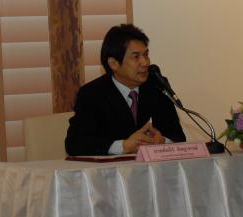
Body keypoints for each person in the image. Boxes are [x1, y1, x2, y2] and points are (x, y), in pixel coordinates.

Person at [65, 24, 186, 156]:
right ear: (113, 63)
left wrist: (162, 141)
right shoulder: (92, 94)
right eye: (136, 56)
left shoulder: (156, 86)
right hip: (113, 169)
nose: (145, 62)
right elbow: (75, 143)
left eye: (146, 55)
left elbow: (177, 136)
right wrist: (123, 146)